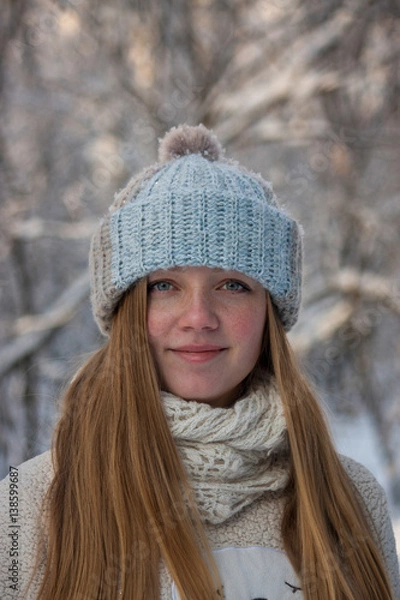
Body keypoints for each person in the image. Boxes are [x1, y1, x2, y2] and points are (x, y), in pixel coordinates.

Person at [0, 124, 399, 600]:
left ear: (269, 312)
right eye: (164, 286)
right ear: (125, 311)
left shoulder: (349, 499)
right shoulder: (29, 503)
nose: (198, 318)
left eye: (232, 285)